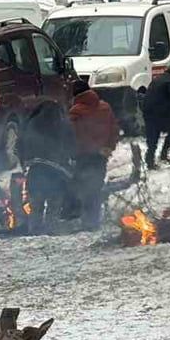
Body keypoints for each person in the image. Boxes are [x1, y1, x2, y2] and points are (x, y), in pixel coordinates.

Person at [68, 80, 118, 230]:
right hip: (101, 155)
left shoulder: (75, 111)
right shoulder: (105, 107)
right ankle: (93, 220)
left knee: (81, 186)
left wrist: (71, 152)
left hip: (83, 155)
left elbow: (72, 135)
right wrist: (109, 146)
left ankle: (83, 219)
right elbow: (114, 129)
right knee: (95, 186)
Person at [18, 102, 75, 233]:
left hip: (36, 170)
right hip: (57, 171)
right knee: (54, 202)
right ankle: (51, 228)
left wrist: (24, 161)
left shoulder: (30, 124)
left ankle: (34, 229)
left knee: (36, 204)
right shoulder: (63, 124)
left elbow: (20, 145)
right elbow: (71, 145)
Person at [143, 59, 170, 169]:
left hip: (149, 112)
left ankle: (149, 160)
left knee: (152, 139)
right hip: (161, 114)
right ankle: (164, 153)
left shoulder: (157, 79)